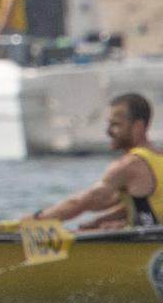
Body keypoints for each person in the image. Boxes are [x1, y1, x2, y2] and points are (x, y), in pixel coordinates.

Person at [26, 93, 163, 229]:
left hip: (146, 245)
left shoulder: (129, 164)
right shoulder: (158, 157)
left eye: (115, 124)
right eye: (108, 124)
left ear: (138, 126)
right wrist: (98, 222)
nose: (108, 131)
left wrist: (37, 219)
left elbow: (85, 201)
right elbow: (132, 205)